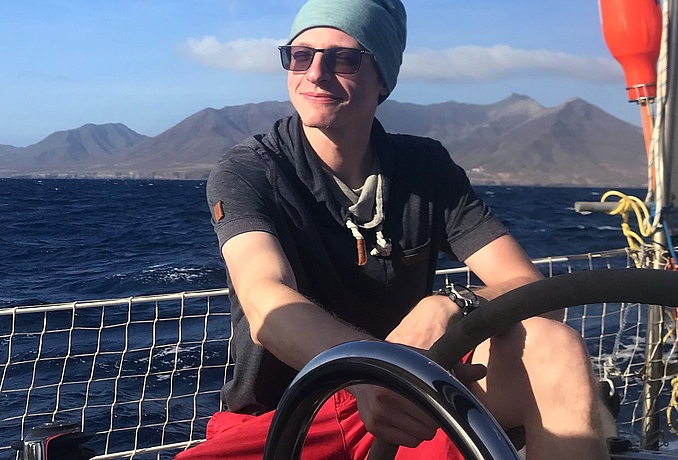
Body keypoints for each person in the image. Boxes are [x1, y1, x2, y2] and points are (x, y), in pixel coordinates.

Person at [177, 0, 613, 458]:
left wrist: (450, 304)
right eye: (300, 55)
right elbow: (267, 300)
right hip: (290, 413)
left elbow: (532, 291)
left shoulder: (425, 169)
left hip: (414, 404)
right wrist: (374, 368)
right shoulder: (250, 171)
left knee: (553, 345)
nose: (316, 73)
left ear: (383, 77)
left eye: (344, 58)